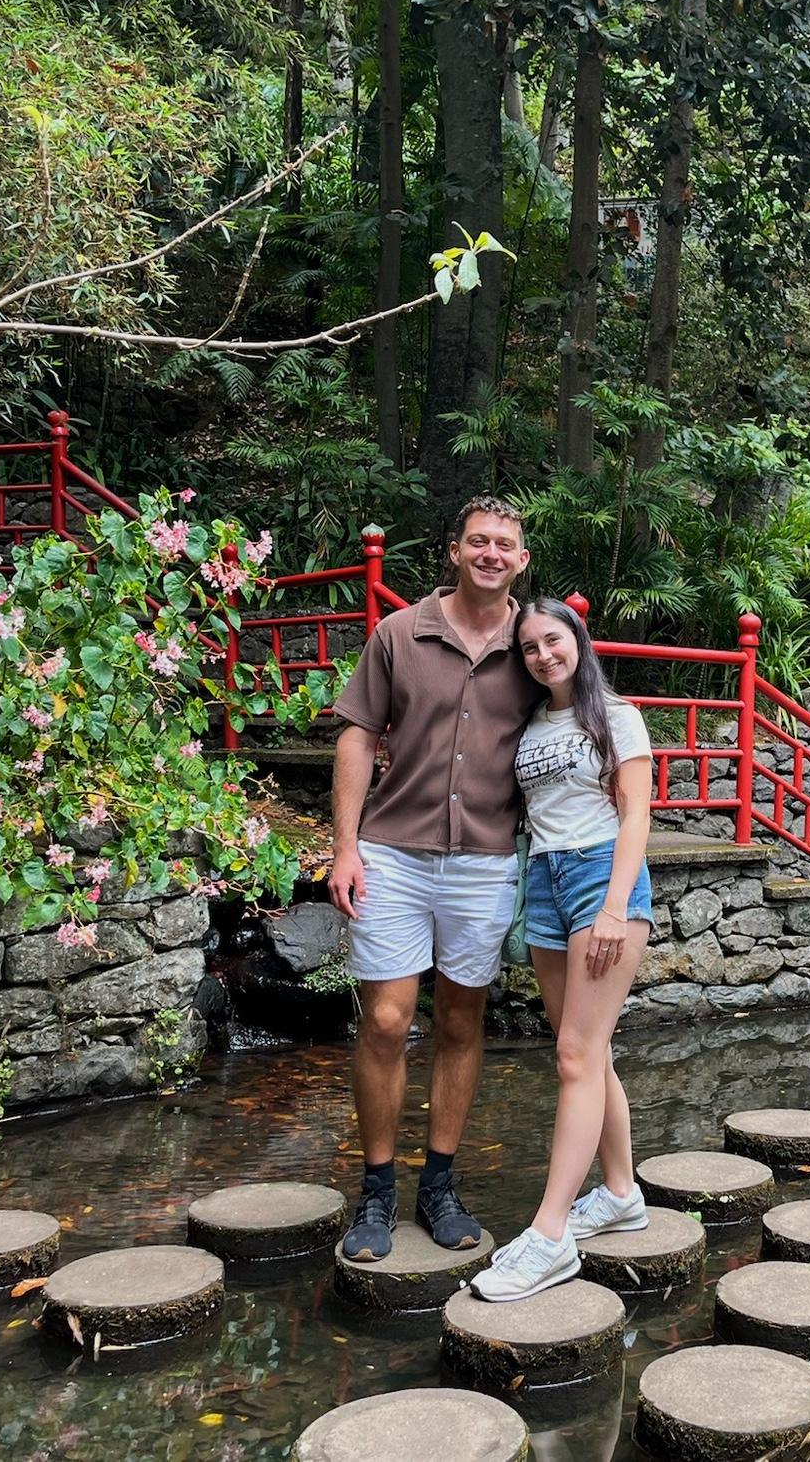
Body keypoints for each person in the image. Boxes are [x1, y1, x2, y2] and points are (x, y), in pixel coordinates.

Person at [327, 497, 541, 1261]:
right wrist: (344, 846)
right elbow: (357, 736)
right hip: (393, 850)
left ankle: (440, 1186)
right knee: (386, 1021)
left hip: (484, 859)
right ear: (454, 550)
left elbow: (585, 716)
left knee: (459, 1021)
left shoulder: (534, 646)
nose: (489, 553)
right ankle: (377, 1192)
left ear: (520, 561)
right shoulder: (399, 633)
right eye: (477, 541)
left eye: (504, 545)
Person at [471, 598, 654, 1301]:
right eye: (529, 648)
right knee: (589, 1051)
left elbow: (637, 812)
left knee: (574, 1056)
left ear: (577, 639)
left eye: (554, 640)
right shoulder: (530, 724)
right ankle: (618, 1193)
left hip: (602, 877)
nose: (544, 655)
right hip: (544, 880)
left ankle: (550, 1237)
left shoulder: (617, 715)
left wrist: (613, 906)